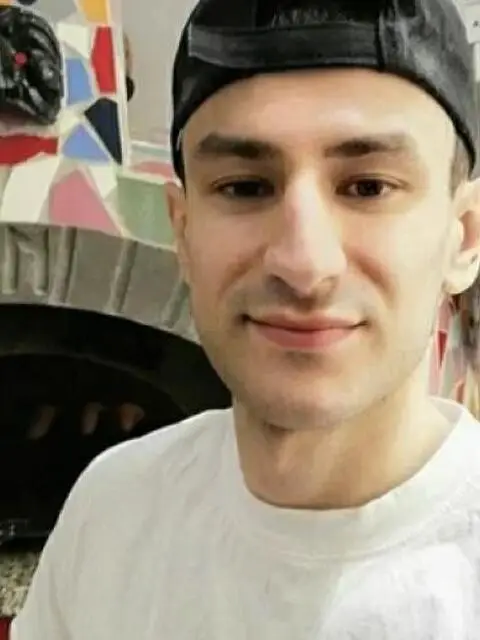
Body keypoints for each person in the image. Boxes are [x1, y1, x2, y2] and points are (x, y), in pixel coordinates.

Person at [11, 0, 480, 637]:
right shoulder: (110, 509)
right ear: (183, 232)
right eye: (244, 187)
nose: (304, 263)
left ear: (463, 236)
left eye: (368, 186)